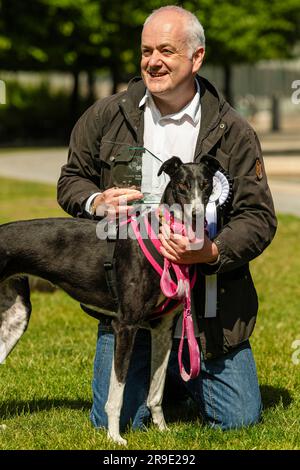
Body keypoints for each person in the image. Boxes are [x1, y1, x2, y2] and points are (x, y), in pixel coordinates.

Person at [57, 5, 277, 432]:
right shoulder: (107, 115)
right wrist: (95, 201)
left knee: (238, 420)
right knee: (116, 423)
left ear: (196, 58)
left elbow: (259, 217)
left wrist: (212, 251)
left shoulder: (233, 130)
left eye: (166, 50)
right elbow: (71, 181)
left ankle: (180, 372)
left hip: (209, 312)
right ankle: (164, 375)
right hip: (131, 302)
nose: (152, 61)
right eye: (145, 51)